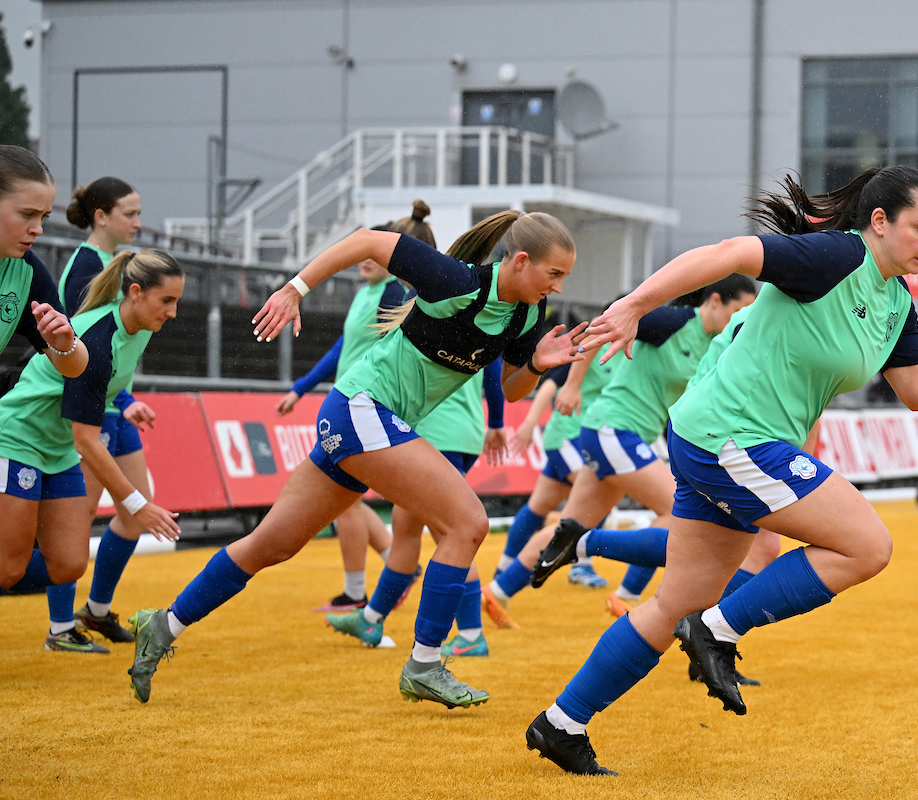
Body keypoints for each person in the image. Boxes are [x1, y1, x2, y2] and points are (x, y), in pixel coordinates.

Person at [523, 166, 918, 776]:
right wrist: (634, 305)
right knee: (866, 546)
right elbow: (730, 253)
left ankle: (561, 723)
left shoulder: (893, 302)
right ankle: (715, 629)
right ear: (880, 222)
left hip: (721, 439)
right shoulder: (836, 256)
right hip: (730, 436)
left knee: (671, 602)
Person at [125, 210, 585, 708]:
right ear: (521, 261)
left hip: (366, 419)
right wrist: (295, 289)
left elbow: (514, 391)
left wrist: (537, 365)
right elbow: (367, 241)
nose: (558, 288)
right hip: (362, 407)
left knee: (270, 545)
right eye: (554, 274)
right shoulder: (457, 280)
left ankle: (163, 624)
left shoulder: (527, 315)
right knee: (468, 523)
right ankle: (425, 664)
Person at [482, 276, 756, 628]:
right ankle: (625, 597)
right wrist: (573, 385)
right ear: (715, 301)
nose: (741, 321)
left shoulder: (715, 344)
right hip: (613, 429)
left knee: (572, 526)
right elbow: (603, 327)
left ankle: (498, 591)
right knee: (679, 512)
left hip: (621, 435)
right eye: (739, 310)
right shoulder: (675, 322)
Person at [0, 250, 184, 652]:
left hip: (58, 447)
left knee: (68, 563)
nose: (172, 312)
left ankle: (79, 619)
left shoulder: (139, 328)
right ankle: (62, 629)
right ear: (135, 292)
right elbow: (87, 439)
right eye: (166, 301)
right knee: (8, 569)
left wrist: (127, 400)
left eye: (176, 302)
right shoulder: (97, 339)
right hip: (17, 437)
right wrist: (138, 504)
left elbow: (107, 394)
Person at [277, 203, 437, 613]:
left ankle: (357, 593)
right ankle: (391, 569)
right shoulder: (367, 293)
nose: (365, 261)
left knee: (348, 502)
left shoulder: (394, 294)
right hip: (349, 402)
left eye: (374, 255)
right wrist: (301, 388)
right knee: (348, 501)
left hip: (369, 406)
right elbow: (341, 349)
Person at [40, 177, 161, 646]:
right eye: (129, 213)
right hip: (89, 410)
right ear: (101, 217)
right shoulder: (85, 267)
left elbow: (114, 352)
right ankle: (60, 627)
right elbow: (79, 352)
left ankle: (95, 610)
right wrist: (116, 403)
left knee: (135, 509)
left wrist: (127, 400)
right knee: (76, 521)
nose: (137, 221)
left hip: (113, 406)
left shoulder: (120, 264)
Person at [324, 357, 507, 657]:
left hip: (435, 431)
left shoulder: (429, 311)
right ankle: (371, 619)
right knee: (406, 526)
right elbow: (494, 367)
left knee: (450, 531)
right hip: (462, 429)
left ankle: (471, 634)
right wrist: (496, 421)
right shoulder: (483, 317)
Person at [498, 306, 621, 589]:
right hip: (566, 436)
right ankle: (582, 565)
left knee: (538, 506)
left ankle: (504, 570)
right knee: (596, 497)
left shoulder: (630, 352)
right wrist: (529, 423)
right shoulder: (592, 345)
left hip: (583, 439)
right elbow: (553, 384)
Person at [0, 145, 89, 381]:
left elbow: (75, 367)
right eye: (28, 214)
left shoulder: (26, 271)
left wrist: (64, 345)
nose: (38, 229)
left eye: (43, 217)